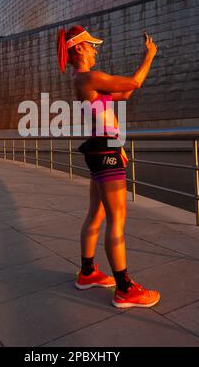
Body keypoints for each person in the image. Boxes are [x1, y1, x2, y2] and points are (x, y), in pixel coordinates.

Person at [57, 25, 160, 309]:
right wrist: (149, 56)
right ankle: (125, 289)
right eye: (91, 45)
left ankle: (88, 272)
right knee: (117, 219)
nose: (95, 49)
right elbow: (134, 83)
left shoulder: (87, 81)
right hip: (105, 150)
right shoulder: (89, 77)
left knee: (97, 212)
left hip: (102, 147)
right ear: (78, 48)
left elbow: (124, 95)